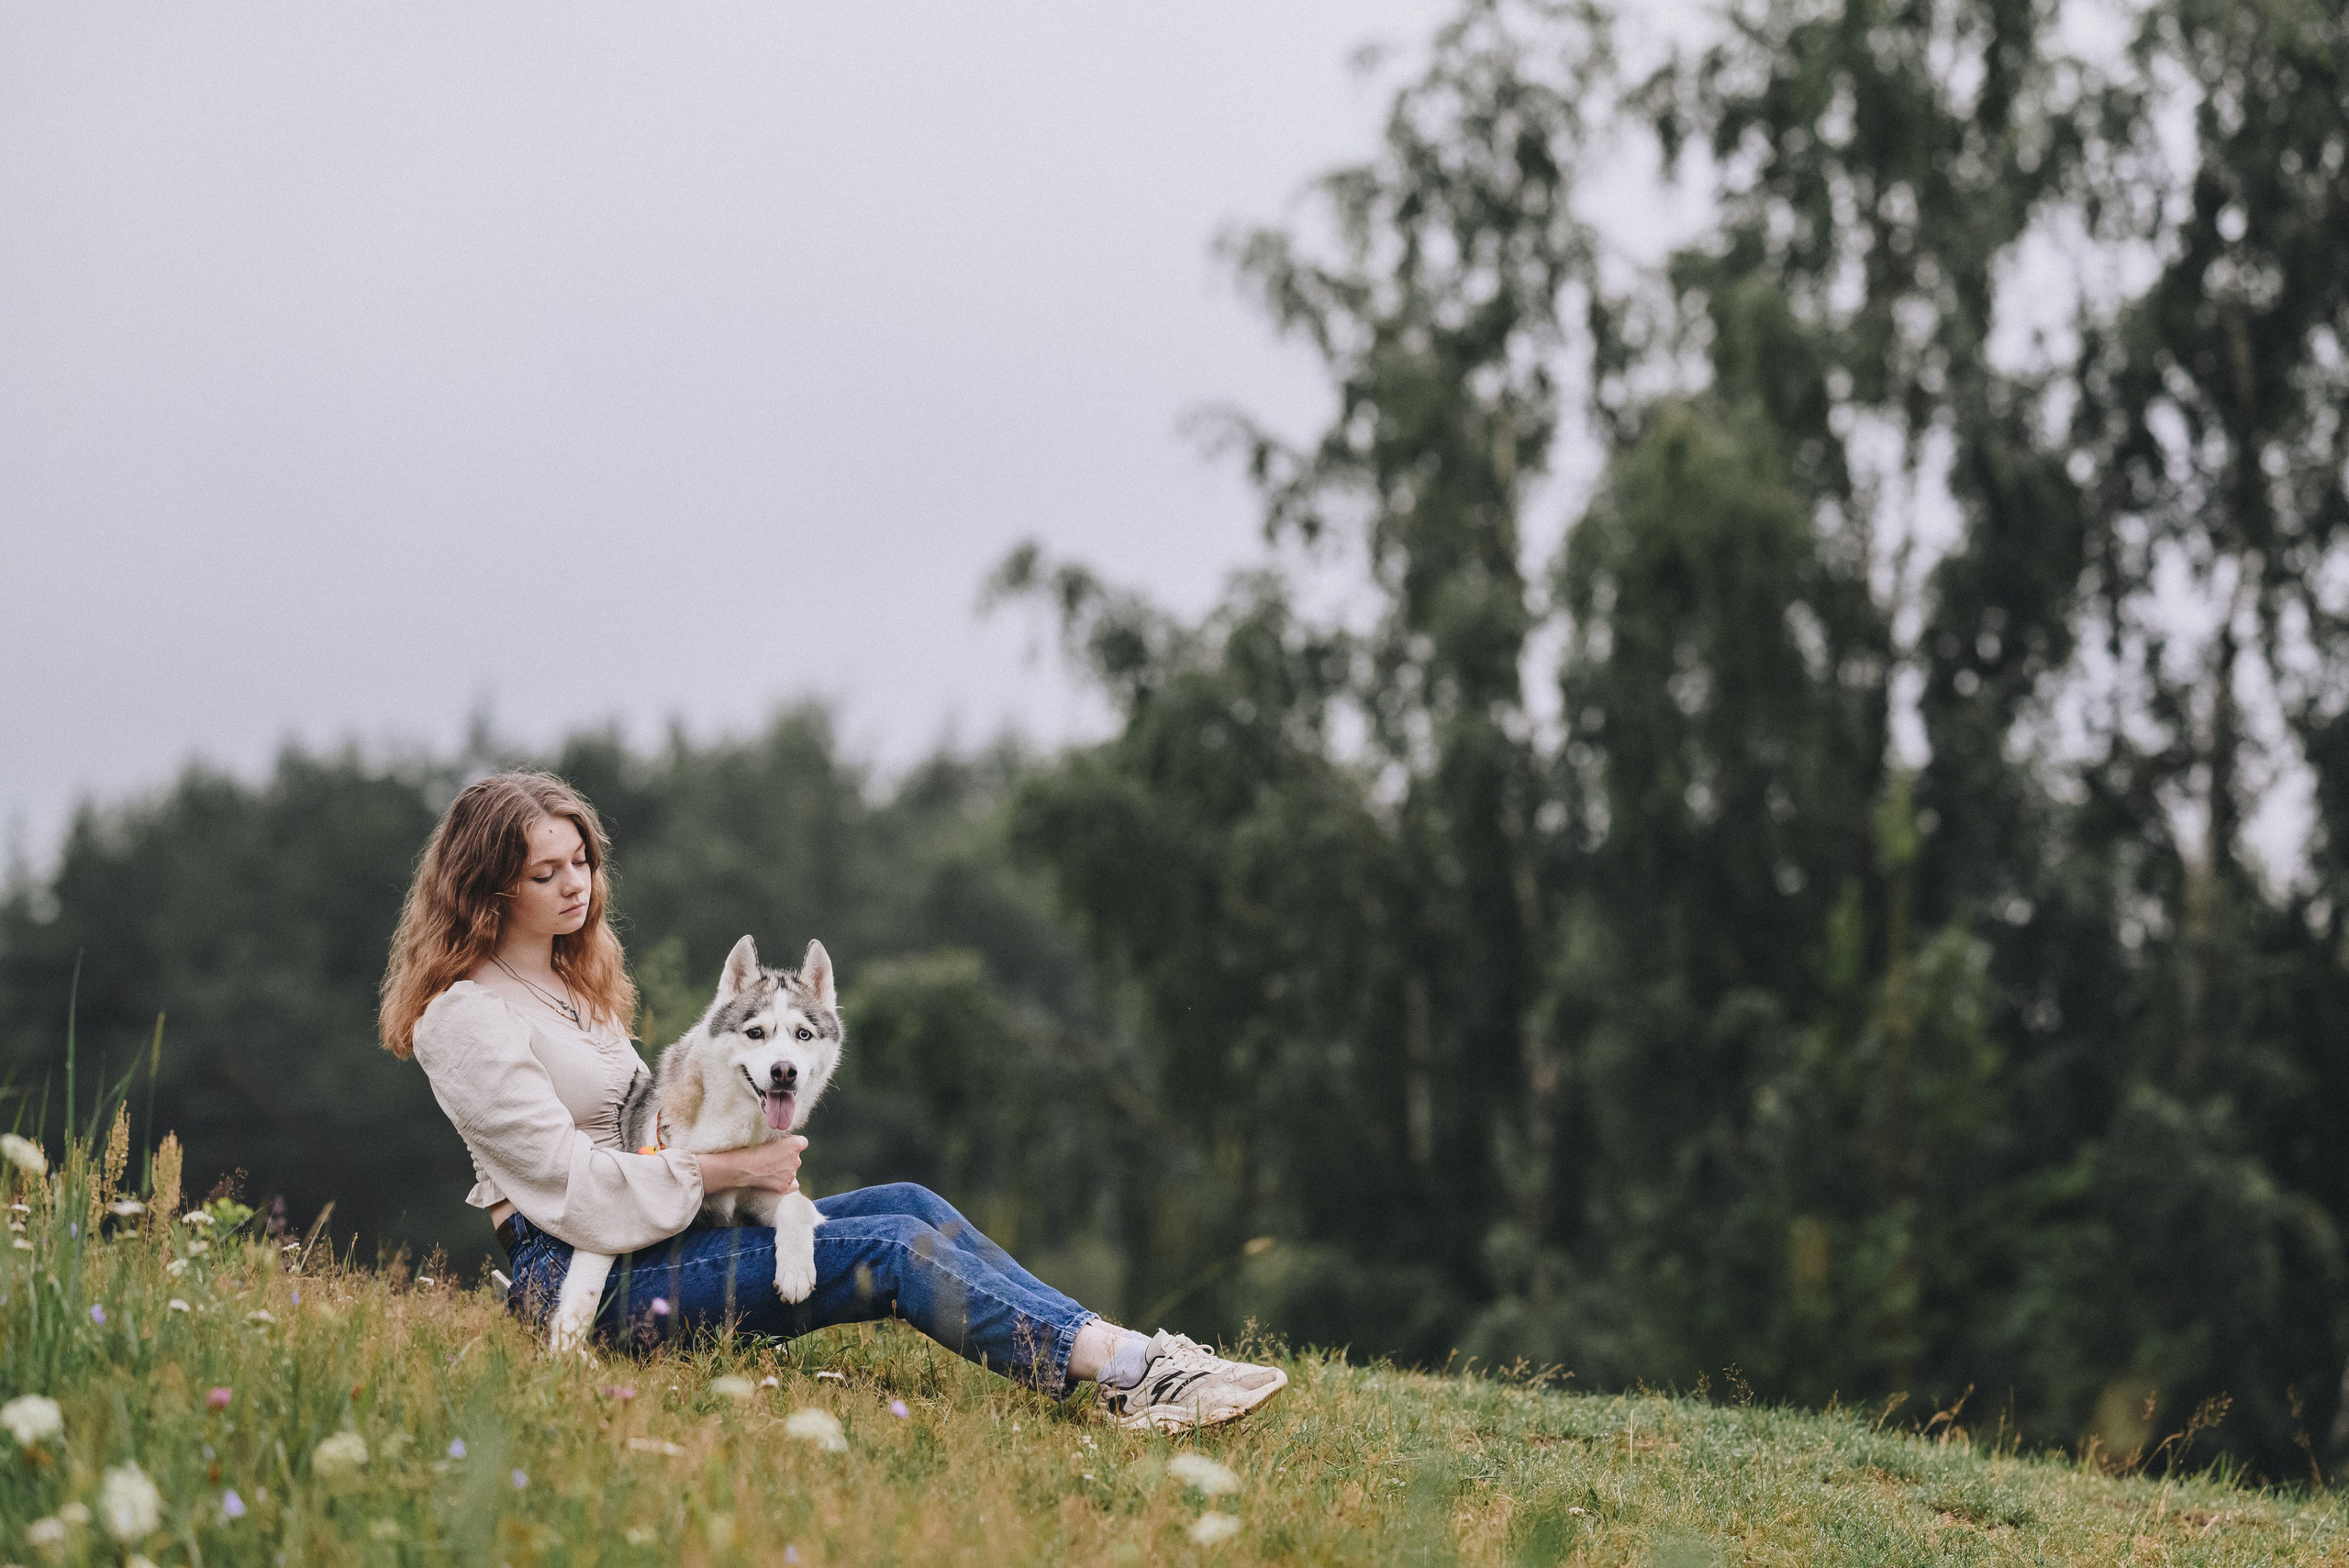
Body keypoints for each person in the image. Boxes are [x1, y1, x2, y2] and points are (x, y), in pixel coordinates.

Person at [377, 770, 1284, 1431]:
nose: (576, 883)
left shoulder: (579, 991)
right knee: (886, 1249)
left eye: (581, 860)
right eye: (546, 871)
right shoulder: (465, 1017)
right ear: (489, 884)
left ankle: (1123, 1357)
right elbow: (572, 1185)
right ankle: (1136, 1371)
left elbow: (645, 1132)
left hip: (658, 1234)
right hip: (583, 1279)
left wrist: (722, 1148)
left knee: (909, 1202)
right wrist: (737, 1166)